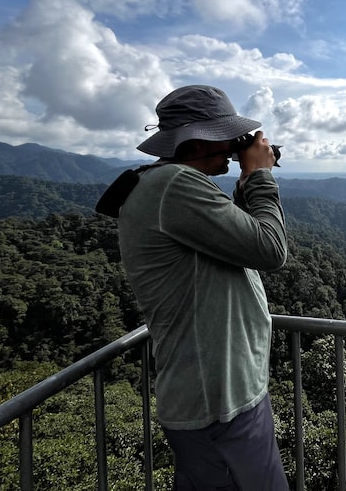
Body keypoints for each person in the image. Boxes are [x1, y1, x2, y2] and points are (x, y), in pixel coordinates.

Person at [116, 85, 289, 490]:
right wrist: (260, 176)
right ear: (196, 142)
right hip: (220, 403)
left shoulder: (167, 184)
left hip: (218, 395)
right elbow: (270, 249)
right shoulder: (174, 183)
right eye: (226, 136)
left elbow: (235, 243)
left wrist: (245, 182)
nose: (233, 145)